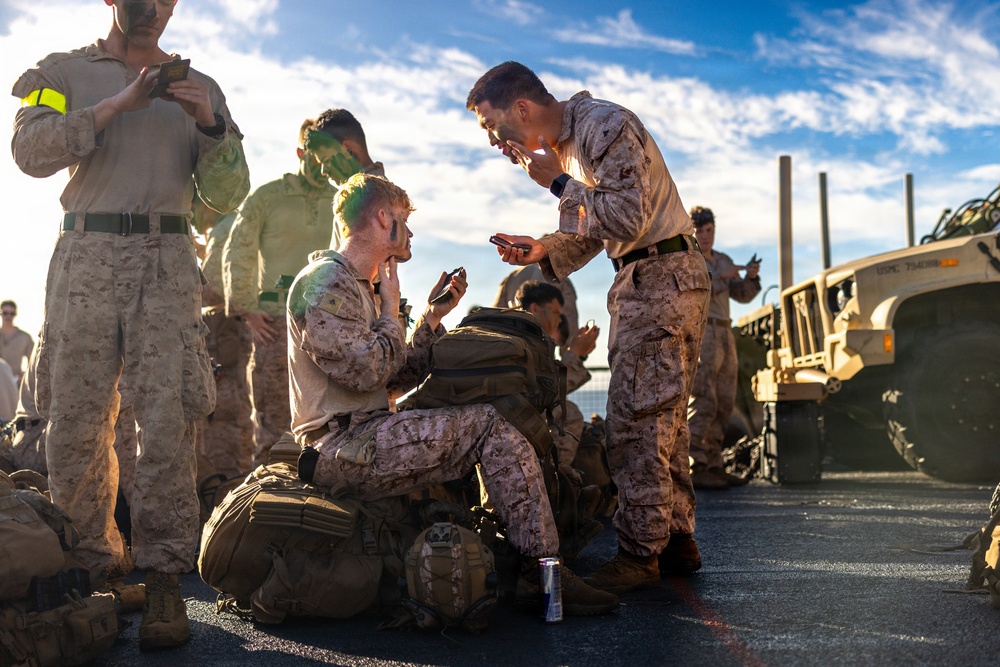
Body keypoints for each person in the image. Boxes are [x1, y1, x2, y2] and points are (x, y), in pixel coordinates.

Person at [11, 0, 250, 650]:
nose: (154, 9)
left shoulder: (202, 88)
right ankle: (96, 571)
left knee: (168, 419)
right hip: (85, 254)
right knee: (76, 420)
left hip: (166, 258)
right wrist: (116, 105)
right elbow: (28, 150)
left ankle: (165, 576)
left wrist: (208, 123)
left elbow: (229, 194)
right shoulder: (60, 72)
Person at [288, 173, 617, 616]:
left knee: (491, 413)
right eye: (403, 220)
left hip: (367, 435)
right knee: (489, 426)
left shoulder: (360, 287)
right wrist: (390, 311)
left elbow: (394, 378)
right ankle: (542, 574)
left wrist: (431, 317)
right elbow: (364, 372)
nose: (410, 233)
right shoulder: (324, 283)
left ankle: (523, 560)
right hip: (341, 447)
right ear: (382, 218)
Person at [467, 61, 711, 592]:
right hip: (652, 276)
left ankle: (639, 554)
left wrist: (556, 182)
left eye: (491, 124)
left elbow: (626, 217)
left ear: (521, 109)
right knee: (663, 421)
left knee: (636, 421)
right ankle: (673, 539)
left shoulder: (603, 126)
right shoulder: (574, 144)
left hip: (659, 278)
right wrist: (542, 248)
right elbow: (594, 229)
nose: (492, 140)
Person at [223, 111, 383, 467]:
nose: (322, 170)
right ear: (300, 154)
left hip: (329, 325)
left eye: (325, 160)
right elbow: (239, 249)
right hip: (273, 323)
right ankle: (268, 492)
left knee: (320, 426)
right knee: (272, 422)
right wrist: (248, 309)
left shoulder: (342, 199)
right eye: (314, 159)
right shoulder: (268, 197)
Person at [687, 206, 761, 490]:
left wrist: (750, 277)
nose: (705, 236)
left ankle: (714, 463)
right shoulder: (688, 258)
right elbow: (696, 290)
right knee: (703, 399)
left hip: (724, 331)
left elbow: (742, 295)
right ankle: (695, 465)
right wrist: (721, 276)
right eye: (700, 231)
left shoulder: (723, 259)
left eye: (709, 230)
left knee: (724, 400)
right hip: (703, 330)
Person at [197, 199, 253, 478]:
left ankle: (226, 490)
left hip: (228, 339)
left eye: (194, 207)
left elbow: (213, 289)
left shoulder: (224, 229)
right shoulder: (236, 225)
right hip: (236, 336)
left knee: (225, 422)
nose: (192, 217)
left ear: (208, 204)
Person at [0, 301, 33, 383]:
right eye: (5, 313)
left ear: (15, 314)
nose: (8, 316)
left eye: (12, 314)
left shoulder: (24, 337)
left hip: (15, 382)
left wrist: (25, 374)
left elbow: (33, 361)